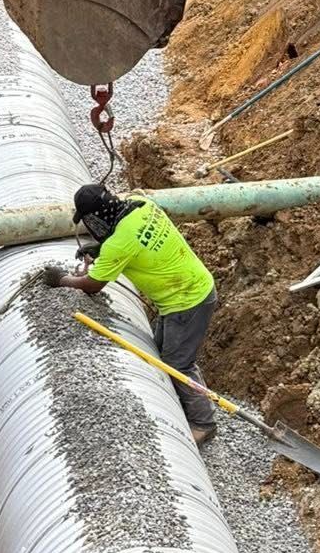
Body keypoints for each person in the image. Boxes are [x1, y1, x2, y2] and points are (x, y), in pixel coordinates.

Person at [45, 185, 220, 447]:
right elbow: (133, 237)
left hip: (186, 301)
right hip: (191, 288)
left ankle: (203, 424)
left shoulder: (119, 244)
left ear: (96, 218)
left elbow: (92, 284)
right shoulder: (141, 204)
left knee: (177, 364)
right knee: (163, 352)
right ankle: (183, 407)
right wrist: (102, 248)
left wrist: (62, 280)